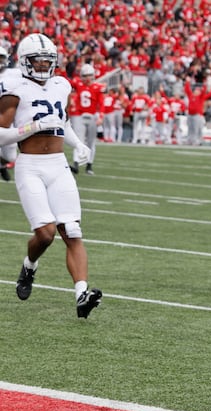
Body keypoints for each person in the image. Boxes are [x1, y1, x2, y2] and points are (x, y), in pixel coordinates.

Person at [0, 33, 102, 318]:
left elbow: (62, 121)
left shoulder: (61, 85)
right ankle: (29, 266)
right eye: (38, 61)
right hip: (30, 164)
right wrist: (30, 128)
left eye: (48, 61)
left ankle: (82, 294)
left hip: (59, 165)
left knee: (71, 230)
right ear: (25, 61)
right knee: (45, 235)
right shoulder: (14, 87)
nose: (44, 66)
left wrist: (78, 145)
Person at [70, 63, 103, 175]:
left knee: (91, 142)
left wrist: (101, 116)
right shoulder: (78, 83)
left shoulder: (98, 87)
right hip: (79, 115)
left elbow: (101, 103)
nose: (87, 77)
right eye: (85, 75)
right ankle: (75, 163)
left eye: (89, 75)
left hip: (93, 116)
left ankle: (89, 165)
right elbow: (67, 81)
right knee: (78, 140)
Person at [0, 45, 21, 182]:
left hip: (9, 119)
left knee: (11, 157)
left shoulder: (14, 74)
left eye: (1, 58)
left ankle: (1, 165)